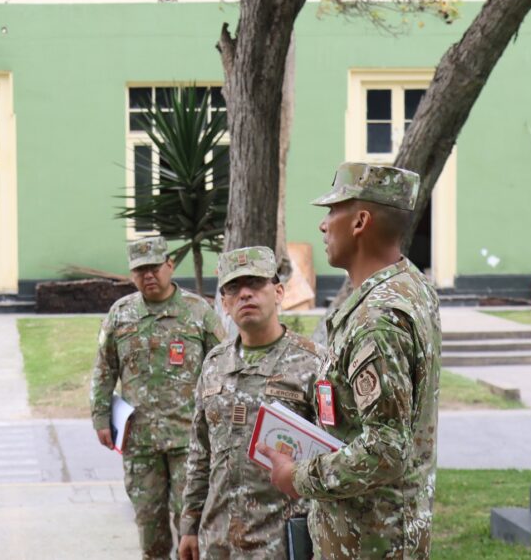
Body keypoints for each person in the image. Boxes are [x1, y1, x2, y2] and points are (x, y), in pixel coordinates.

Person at [258, 162, 442, 559]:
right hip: (378, 531)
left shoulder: (377, 318)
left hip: (372, 540)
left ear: (360, 221)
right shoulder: (409, 284)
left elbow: (385, 450)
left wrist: (299, 476)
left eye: (332, 212)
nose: (323, 226)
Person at [179, 246, 328, 559]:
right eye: (234, 288)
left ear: (278, 292)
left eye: (255, 284)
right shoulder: (215, 363)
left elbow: (332, 457)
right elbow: (200, 451)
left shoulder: (314, 363)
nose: (245, 294)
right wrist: (189, 525)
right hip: (218, 540)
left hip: (281, 541)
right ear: (225, 303)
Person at [90, 235, 225, 559]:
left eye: (154, 268)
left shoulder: (198, 312)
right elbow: (104, 369)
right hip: (141, 442)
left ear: (169, 266)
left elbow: (222, 365)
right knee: (149, 525)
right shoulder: (121, 314)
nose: (148, 276)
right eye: (140, 271)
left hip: (188, 441)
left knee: (191, 525)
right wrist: (100, 417)